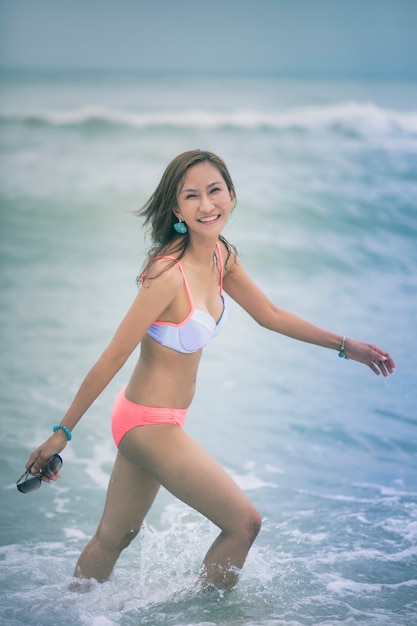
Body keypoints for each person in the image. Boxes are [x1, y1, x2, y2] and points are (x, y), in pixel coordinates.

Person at [25, 149, 395, 591]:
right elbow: (112, 356)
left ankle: (66, 611)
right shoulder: (166, 274)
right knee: (244, 522)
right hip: (146, 423)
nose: (206, 204)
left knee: (115, 536)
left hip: (161, 419)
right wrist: (61, 433)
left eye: (215, 191)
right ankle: (205, 618)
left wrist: (344, 345)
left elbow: (270, 314)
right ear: (177, 209)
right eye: (191, 196)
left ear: (232, 196)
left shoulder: (221, 256)